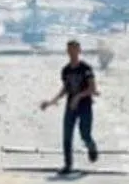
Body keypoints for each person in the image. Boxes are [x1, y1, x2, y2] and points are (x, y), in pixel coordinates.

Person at [39, 39, 98, 175]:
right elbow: (65, 89)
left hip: (85, 105)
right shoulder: (65, 70)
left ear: (79, 51)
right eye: (69, 50)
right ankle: (68, 164)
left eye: (74, 50)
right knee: (67, 135)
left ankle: (91, 147)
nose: (72, 53)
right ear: (67, 52)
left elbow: (93, 88)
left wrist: (78, 97)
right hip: (70, 106)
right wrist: (51, 102)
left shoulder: (86, 68)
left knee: (85, 134)